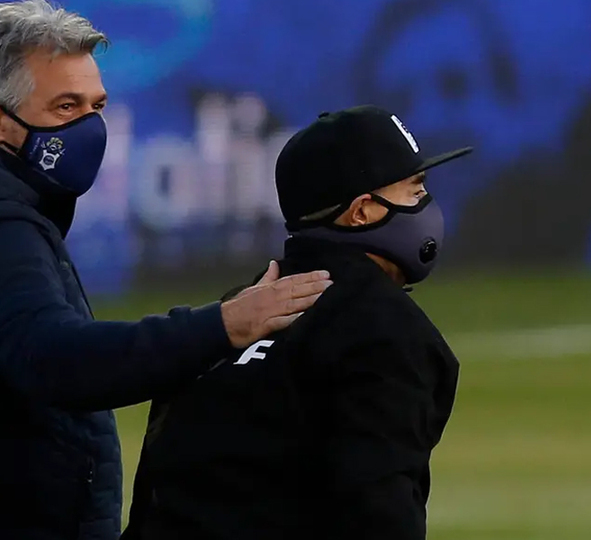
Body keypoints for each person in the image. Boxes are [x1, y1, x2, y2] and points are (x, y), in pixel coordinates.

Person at [0, 2, 331, 539]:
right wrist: (223, 326)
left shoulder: (23, 212)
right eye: (65, 106)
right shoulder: (7, 222)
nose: (89, 127)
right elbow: (52, 357)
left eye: (97, 106)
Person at [123, 105, 471, 540]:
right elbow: (380, 514)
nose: (426, 203)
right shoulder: (383, 329)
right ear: (363, 211)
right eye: (415, 189)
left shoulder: (226, 319)